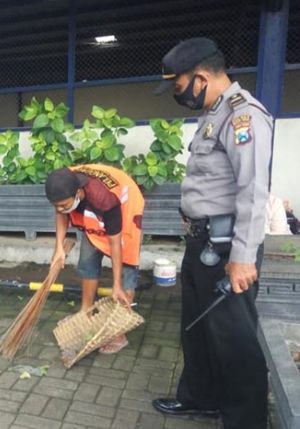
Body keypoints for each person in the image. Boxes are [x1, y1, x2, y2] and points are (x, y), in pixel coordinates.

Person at [151, 38, 272, 429]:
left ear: (201, 77)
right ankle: (200, 398)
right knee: (198, 330)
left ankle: (245, 421)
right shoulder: (212, 114)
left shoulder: (243, 117)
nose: (177, 93)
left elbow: (253, 191)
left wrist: (242, 257)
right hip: (201, 243)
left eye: (178, 85)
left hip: (226, 249)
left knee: (234, 340)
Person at [47, 164, 144, 354]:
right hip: (93, 204)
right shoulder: (63, 184)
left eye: (64, 205)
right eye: (56, 205)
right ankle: (86, 312)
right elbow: (61, 212)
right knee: (88, 258)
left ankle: (119, 332)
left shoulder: (105, 200)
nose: (60, 208)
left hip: (125, 205)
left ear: (78, 193)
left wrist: (116, 285)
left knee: (126, 267)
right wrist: (59, 247)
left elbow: (116, 245)